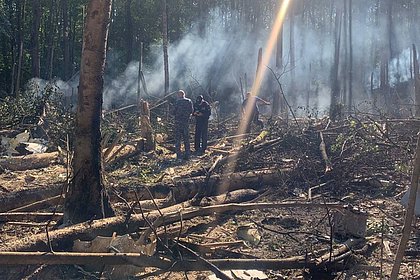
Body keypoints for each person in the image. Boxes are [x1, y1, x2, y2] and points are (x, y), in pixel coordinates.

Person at [173, 90, 194, 160]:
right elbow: (192, 111)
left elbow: (173, 112)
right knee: (186, 139)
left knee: (178, 140)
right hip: (185, 123)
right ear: (184, 94)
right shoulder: (189, 101)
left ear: (179, 95)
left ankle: (179, 155)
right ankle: (187, 155)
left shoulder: (177, 102)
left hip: (178, 123)